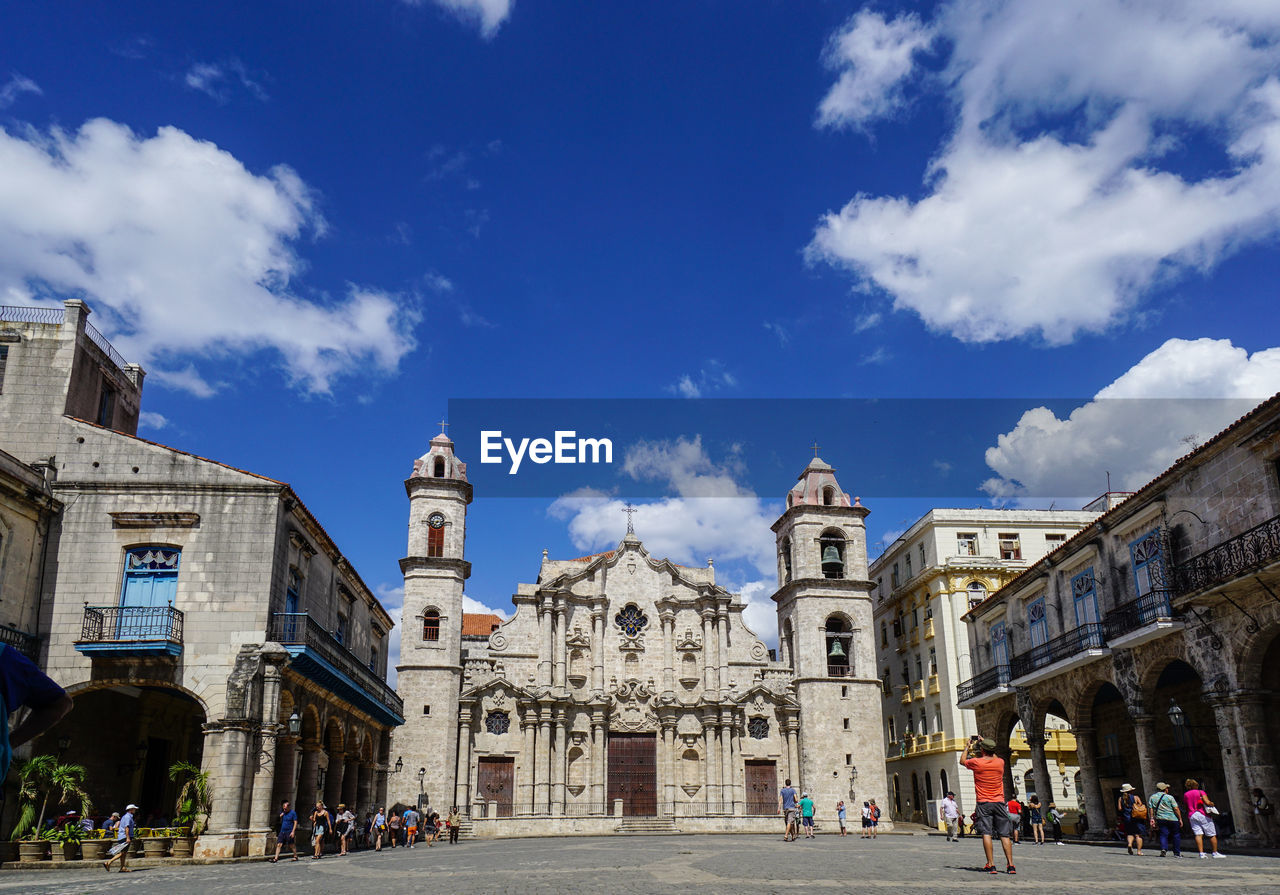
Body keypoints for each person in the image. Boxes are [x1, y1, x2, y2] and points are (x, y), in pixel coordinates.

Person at [1, 641, 73, 784]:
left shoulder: (5, 656)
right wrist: (9, 743)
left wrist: (9, 743)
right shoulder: (5, 656)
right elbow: (61, 704)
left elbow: (61, 703)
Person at [962, 735, 1016, 875]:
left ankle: (991, 865)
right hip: (999, 802)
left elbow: (962, 761)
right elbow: (995, 757)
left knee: (986, 833)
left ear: (982, 750)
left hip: (983, 802)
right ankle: (1010, 865)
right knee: (1005, 834)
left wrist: (967, 746)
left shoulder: (977, 762)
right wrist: (984, 742)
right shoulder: (1000, 762)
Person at [1184, 778, 1224, 858]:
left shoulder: (1186, 794)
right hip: (1202, 814)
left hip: (1192, 815)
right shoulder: (1200, 792)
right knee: (1212, 834)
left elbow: (1186, 805)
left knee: (1198, 834)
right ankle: (1215, 852)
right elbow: (1207, 802)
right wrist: (1212, 803)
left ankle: (1201, 853)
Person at [1148, 782, 1182, 857]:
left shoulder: (1152, 797)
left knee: (1163, 834)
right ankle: (1176, 853)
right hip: (1173, 818)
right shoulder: (1170, 797)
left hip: (1161, 818)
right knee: (1176, 835)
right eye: (1167, 788)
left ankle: (1164, 848)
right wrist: (1180, 818)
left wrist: (1152, 818)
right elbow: (1176, 808)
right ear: (1164, 789)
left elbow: (1151, 809)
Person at [103, 803, 138, 872]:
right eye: (134, 809)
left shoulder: (125, 816)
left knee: (124, 853)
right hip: (125, 836)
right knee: (122, 853)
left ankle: (122, 867)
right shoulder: (128, 817)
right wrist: (128, 837)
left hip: (122, 836)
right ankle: (108, 862)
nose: (135, 810)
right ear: (131, 810)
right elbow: (127, 827)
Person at [1117, 783, 1146, 855]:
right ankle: (1139, 851)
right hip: (1136, 818)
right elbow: (1140, 806)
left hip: (1127, 818)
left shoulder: (1120, 799)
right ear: (1131, 791)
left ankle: (1130, 844)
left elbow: (1119, 808)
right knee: (1138, 835)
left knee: (1130, 833)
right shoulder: (1136, 797)